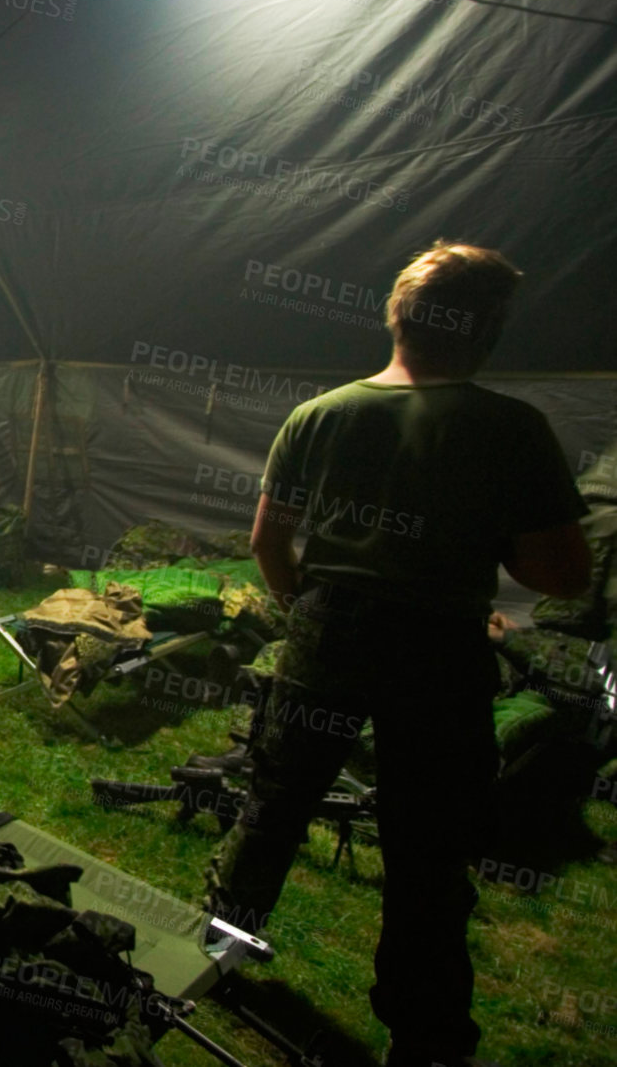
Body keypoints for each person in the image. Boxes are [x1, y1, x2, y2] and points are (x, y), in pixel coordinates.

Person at [202, 242, 590, 1067]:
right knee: (428, 843)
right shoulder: (512, 428)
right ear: (484, 332)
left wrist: (306, 607)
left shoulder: (321, 415)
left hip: (327, 630)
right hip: (440, 647)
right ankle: (428, 1034)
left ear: (397, 319)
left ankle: (218, 951)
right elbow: (560, 571)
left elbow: (270, 541)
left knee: (275, 802)